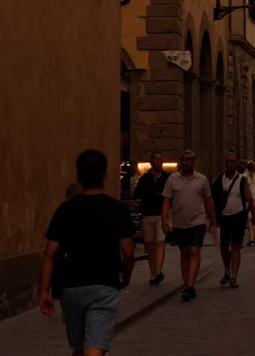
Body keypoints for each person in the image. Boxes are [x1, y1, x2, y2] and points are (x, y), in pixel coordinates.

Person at [40, 149, 135, 356]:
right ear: (106, 175)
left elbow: (49, 252)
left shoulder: (65, 210)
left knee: (79, 347)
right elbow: (128, 251)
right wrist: (126, 275)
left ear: (77, 176)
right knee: (92, 349)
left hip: (71, 289)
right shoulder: (118, 209)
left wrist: (44, 291)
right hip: (104, 285)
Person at [160, 149, 216, 302]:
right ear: (181, 161)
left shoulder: (202, 180)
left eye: (190, 159)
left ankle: (190, 285)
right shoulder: (172, 180)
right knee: (184, 252)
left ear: (194, 161)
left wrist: (213, 220)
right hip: (179, 222)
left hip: (197, 221)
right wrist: (164, 220)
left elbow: (208, 200)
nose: (187, 162)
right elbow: (166, 200)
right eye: (185, 159)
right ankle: (187, 284)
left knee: (194, 250)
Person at [212, 153, 253, 289]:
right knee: (224, 246)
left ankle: (234, 277)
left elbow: (248, 197)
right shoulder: (218, 180)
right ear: (224, 163)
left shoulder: (242, 180)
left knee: (236, 246)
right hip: (223, 217)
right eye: (227, 162)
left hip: (238, 216)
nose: (230, 164)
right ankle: (227, 270)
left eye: (232, 162)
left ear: (236, 164)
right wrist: (212, 219)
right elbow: (212, 199)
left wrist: (253, 213)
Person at [132, 152, 169, 285]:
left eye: (160, 159)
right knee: (150, 245)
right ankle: (153, 274)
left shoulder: (166, 178)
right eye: (156, 159)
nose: (159, 162)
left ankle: (158, 271)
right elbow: (137, 196)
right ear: (151, 161)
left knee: (160, 242)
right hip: (147, 216)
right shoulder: (144, 179)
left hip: (161, 215)